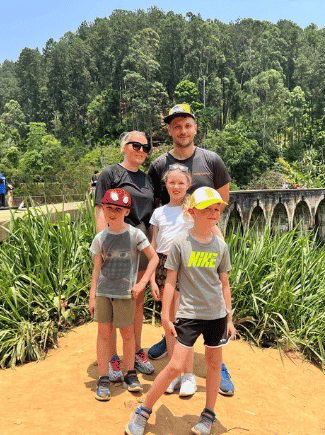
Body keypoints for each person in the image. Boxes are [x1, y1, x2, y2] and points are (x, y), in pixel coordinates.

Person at [125, 187, 236, 435]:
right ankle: (142, 411)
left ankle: (208, 416)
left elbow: (225, 284)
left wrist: (229, 317)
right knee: (175, 366)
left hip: (216, 315)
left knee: (213, 364)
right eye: (207, 209)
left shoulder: (220, 245)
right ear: (192, 212)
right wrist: (166, 316)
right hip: (189, 314)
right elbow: (171, 282)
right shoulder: (180, 244)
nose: (213, 213)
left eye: (217, 209)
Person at [146, 103, 235, 396]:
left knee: (210, 302)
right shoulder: (159, 165)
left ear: (195, 128)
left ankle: (218, 363)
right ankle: (172, 344)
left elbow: (221, 204)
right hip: (173, 253)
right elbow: (155, 208)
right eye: (176, 126)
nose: (182, 131)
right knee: (174, 308)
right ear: (169, 130)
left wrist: (217, 243)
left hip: (204, 248)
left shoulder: (212, 160)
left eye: (187, 125)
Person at [148, 164, 220, 397]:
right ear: (166, 184)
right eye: (172, 182)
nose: (176, 186)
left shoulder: (193, 209)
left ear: (188, 184)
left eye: (181, 183)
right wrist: (151, 278)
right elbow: (154, 245)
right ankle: (174, 372)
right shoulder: (159, 213)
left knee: (183, 320)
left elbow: (215, 233)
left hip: (187, 266)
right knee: (169, 321)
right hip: (163, 265)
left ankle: (188, 374)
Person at [94, 131, 157, 381]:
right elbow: (101, 210)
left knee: (135, 301)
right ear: (123, 147)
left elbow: (152, 217)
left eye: (145, 147)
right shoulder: (110, 174)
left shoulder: (147, 179)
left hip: (139, 243)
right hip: (115, 243)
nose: (141, 150)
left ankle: (135, 353)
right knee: (110, 300)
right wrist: (103, 247)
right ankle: (113, 358)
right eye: (136, 145)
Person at [89, 188, 158, 401]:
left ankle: (130, 374)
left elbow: (153, 259)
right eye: (109, 208)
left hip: (126, 294)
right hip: (104, 293)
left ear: (126, 211)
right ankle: (103, 378)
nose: (113, 212)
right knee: (103, 334)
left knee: (128, 334)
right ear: (103, 210)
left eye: (118, 209)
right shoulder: (100, 238)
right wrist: (92, 296)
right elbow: (96, 269)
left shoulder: (135, 235)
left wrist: (142, 283)